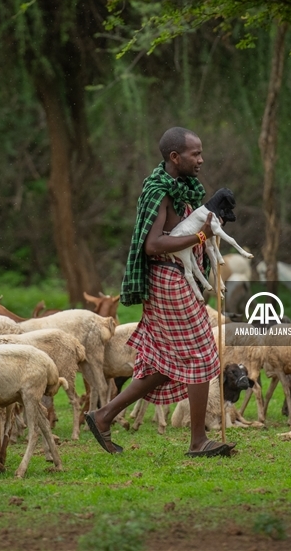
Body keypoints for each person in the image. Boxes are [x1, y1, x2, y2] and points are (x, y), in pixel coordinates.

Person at [85, 126, 235, 457]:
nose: (201, 159)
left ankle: (103, 415)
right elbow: (153, 245)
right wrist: (199, 238)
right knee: (200, 353)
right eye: (195, 154)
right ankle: (198, 442)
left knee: (166, 363)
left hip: (180, 278)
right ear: (174, 157)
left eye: (201, 152)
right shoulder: (159, 192)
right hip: (167, 279)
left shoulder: (185, 190)